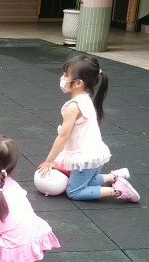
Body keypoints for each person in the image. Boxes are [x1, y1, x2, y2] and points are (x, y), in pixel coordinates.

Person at [37, 54, 140, 203]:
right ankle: (115, 176)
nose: (62, 78)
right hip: (94, 155)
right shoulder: (85, 99)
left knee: (74, 192)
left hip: (85, 159)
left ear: (78, 83)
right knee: (88, 181)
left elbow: (63, 136)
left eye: (65, 75)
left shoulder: (73, 107)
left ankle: (119, 190)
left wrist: (49, 161)